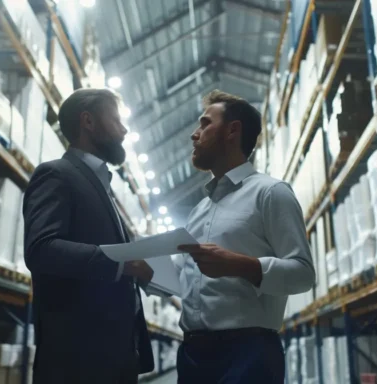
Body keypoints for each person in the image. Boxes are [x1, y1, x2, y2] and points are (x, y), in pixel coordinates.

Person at [174, 90, 316, 383]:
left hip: (247, 355)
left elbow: (303, 273)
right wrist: (147, 272)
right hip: (192, 355)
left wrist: (240, 265)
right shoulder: (200, 209)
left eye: (204, 124)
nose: (194, 134)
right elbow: (187, 279)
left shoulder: (270, 193)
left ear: (232, 131)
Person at [23, 88, 155, 383]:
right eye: (116, 120)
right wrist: (122, 264)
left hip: (116, 358)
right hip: (77, 362)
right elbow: (41, 249)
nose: (124, 130)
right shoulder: (56, 174)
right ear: (88, 122)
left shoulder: (103, 187)